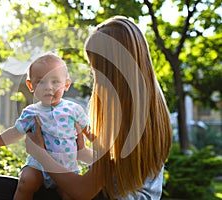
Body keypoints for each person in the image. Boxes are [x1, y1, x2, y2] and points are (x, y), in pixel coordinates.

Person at [25, 16, 173, 200]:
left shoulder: (117, 122)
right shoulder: (153, 114)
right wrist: (81, 150)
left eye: (95, 70)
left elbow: (82, 192)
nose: (95, 80)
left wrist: (40, 152)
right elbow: (115, 172)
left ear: (110, 74)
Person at [0, 53, 92, 200]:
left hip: (66, 168)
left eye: (55, 81)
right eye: (41, 82)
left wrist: (102, 143)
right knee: (26, 182)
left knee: (70, 195)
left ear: (66, 84)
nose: (48, 87)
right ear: (31, 85)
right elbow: (15, 132)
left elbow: (88, 130)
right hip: (38, 167)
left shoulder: (74, 109)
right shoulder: (31, 112)